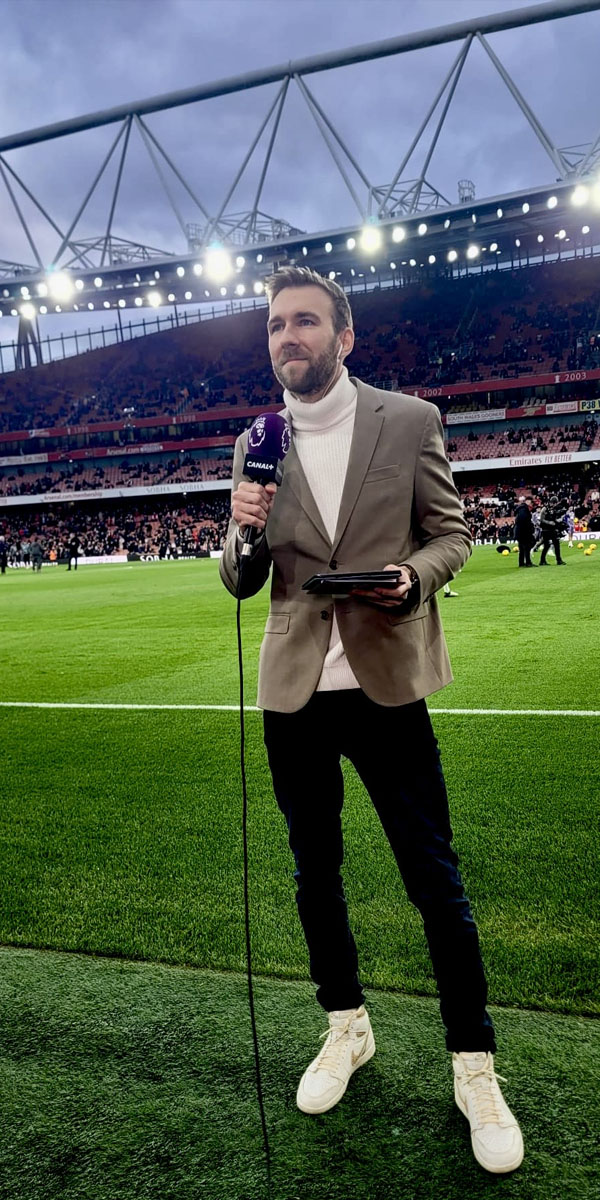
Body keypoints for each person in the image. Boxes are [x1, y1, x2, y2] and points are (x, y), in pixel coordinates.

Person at [219, 266, 523, 1175]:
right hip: (295, 694)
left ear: (343, 337)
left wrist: (413, 580)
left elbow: (452, 534)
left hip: (387, 684)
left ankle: (474, 1066)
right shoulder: (255, 443)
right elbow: (242, 579)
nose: (288, 338)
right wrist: (239, 531)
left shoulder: (410, 419)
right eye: (276, 326)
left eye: (306, 322)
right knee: (317, 875)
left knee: (434, 878)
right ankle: (345, 1025)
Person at [539, 495, 567, 565]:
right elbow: (541, 519)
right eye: (554, 503)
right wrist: (549, 522)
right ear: (552, 502)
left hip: (553, 529)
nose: (554, 505)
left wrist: (558, 521)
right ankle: (542, 560)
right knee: (546, 546)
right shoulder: (544, 509)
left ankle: (559, 560)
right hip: (546, 530)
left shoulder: (554, 509)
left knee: (556, 544)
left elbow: (554, 518)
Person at [513, 496, 536, 567]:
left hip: (520, 531)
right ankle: (528, 562)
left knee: (522, 547)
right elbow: (524, 521)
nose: (532, 505)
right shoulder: (524, 509)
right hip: (524, 531)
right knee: (527, 546)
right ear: (528, 502)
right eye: (532, 503)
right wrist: (530, 528)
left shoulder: (521, 509)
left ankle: (521, 562)